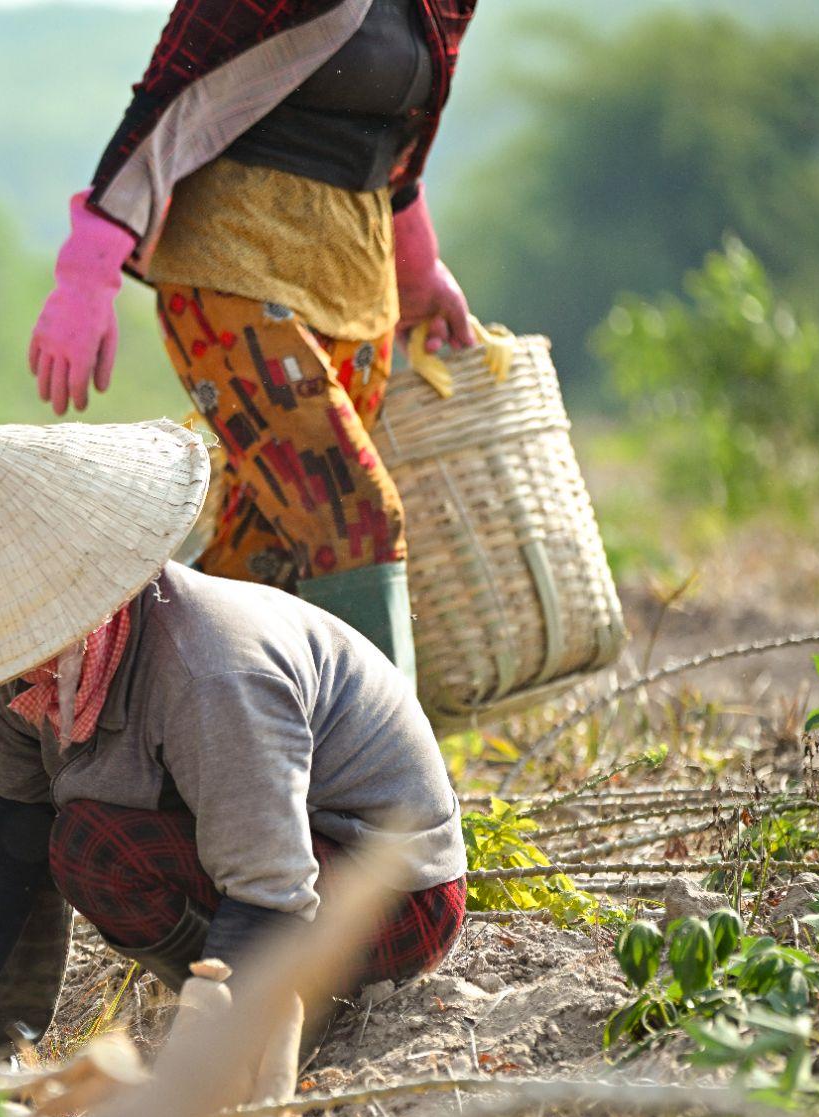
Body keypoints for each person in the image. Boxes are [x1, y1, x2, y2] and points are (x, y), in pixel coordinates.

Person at [0, 421, 466, 1088]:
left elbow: (270, 886)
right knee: (65, 837)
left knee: (98, 844)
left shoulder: (210, 671)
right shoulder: (29, 679)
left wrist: (205, 1048)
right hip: (271, 862)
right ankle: (21, 1038)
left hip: (390, 893)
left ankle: (277, 1013)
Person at [25, 0, 479, 685]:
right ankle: (388, 778)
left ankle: (133, 741)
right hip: (231, 262)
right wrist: (86, 273)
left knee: (262, 557)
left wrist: (419, 267)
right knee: (358, 521)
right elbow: (169, 95)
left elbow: (399, 149)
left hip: (356, 277)